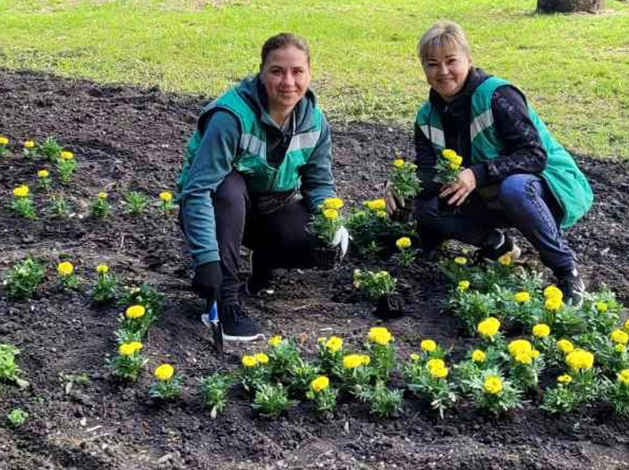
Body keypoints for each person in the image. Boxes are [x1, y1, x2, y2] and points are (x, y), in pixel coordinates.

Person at [386, 21, 593, 302]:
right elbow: (427, 172)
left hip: (546, 188)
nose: (443, 71)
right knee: (426, 208)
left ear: (469, 60)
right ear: (424, 70)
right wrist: (400, 184)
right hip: (488, 194)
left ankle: (567, 270)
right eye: (432, 64)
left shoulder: (498, 96)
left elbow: (534, 155)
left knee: (515, 187)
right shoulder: (426, 116)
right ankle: (497, 245)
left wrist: (476, 174)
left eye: (451, 61)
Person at [177, 33, 346, 342]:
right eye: (277, 71)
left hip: (268, 210)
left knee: (316, 237)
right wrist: (207, 260)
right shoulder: (231, 117)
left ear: (310, 73)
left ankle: (264, 264)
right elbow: (198, 191)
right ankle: (225, 303)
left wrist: (332, 223)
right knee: (227, 185)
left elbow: (319, 184)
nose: (288, 82)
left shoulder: (316, 122)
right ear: (261, 72)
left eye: (297, 72)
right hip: (220, 210)